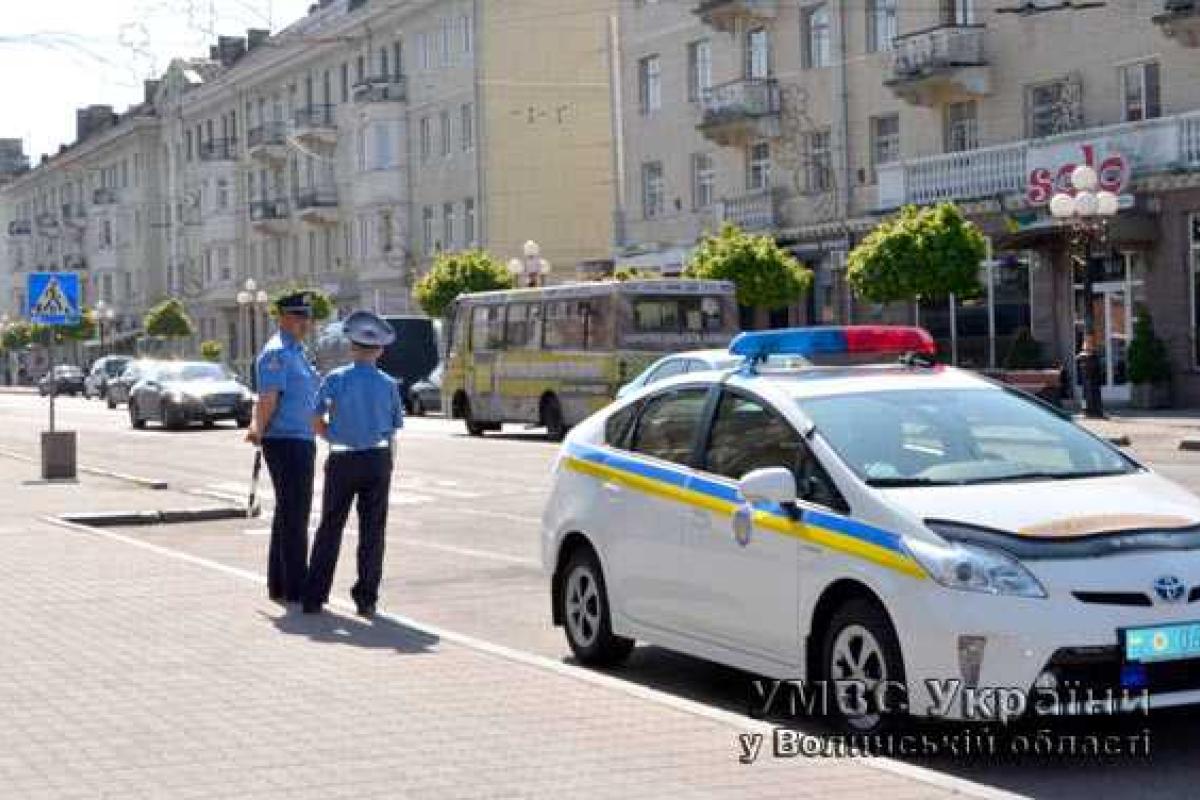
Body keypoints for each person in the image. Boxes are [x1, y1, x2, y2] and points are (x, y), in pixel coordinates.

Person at [303, 310, 404, 618]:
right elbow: (393, 427)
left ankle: (315, 597)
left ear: (352, 347)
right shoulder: (388, 384)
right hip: (377, 458)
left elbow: (314, 417)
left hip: (342, 458)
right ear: (380, 350)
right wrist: (388, 462)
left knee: (330, 527)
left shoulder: (335, 378)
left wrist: (330, 436)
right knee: (373, 531)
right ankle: (366, 599)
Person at [247, 291, 320, 606]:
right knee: (295, 515)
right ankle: (296, 586)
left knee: (287, 513)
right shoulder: (276, 353)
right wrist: (258, 429)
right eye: (298, 317)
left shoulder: (297, 352)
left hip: (300, 438)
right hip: (286, 440)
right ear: (283, 318)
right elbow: (268, 398)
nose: (305, 323)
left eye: (306, 317)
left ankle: (279, 583)